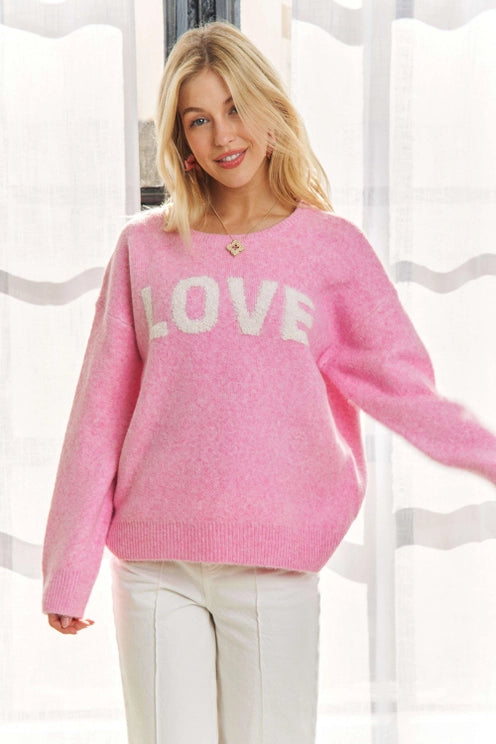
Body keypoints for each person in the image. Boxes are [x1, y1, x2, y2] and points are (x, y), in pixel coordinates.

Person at [42, 20, 496, 744]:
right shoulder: (143, 249)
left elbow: (406, 391)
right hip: (155, 567)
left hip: (273, 562)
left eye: (235, 107)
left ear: (270, 108)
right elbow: (98, 415)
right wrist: (69, 569)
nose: (224, 135)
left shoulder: (330, 249)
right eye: (199, 119)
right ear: (181, 138)